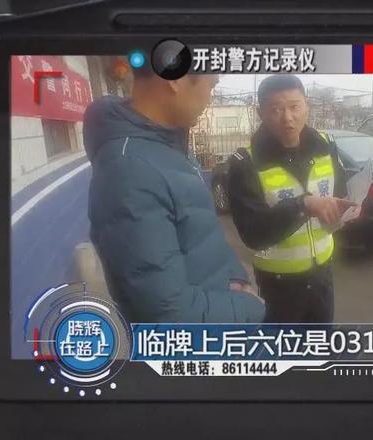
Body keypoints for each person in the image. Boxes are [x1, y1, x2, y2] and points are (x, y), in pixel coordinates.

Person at [82, 63, 265, 324]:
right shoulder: (129, 170)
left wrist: (234, 280)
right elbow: (168, 312)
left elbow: (200, 235)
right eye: (211, 85)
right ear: (175, 79)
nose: (210, 98)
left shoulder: (165, 146)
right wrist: (250, 307)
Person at [228, 75, 353, 323]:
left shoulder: (326, 146)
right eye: (276, 109)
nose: (287, 117)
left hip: (323, 275)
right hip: (279, 285)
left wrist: (347, 209)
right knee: (285, 345)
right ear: (260, 113)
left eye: (295, 106)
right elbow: (253, 233)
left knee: (321, 341)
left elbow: (339, 191)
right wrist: (303, 205)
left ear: (307, 105)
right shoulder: (245, 163)